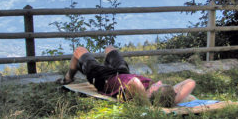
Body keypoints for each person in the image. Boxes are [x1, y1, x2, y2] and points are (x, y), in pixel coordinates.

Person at [60, 45, 196, 107]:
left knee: (79, 50)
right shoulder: (166, 96)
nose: (158, 82)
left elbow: (135, 81)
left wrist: (149, 98)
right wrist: (175, 97)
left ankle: (68, 77)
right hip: (122, 73)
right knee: (110, 49)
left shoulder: (140, 93)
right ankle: (81, 67)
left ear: (152, 92)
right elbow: (190, 82)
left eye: (158, 85)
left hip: (103, 78)